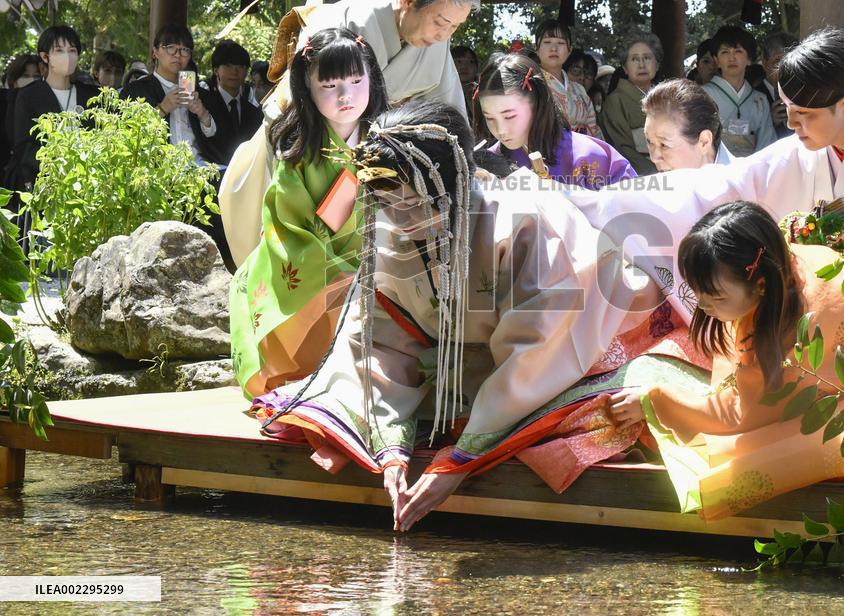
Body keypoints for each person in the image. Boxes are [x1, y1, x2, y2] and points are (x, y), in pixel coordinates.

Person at [252, 100, 699, 531]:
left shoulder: (525, 223)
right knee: (362, 416)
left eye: (417, 203)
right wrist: (391, 447)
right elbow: (382, 339)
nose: (402, 219)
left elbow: (539, 344)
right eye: (389, 203)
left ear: (455, 183)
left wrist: (462, 459)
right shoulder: (390, 229)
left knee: (590, 419)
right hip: (488, 354)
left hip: (587, 333)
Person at [563, 27, 844, 369]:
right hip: (833, 330)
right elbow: (720, 188)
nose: (791, 125)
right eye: (786, 109)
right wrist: (603, 204)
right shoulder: (807, 149)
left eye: (803, 114)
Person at [608, 201, 844, 520]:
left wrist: (655, 400)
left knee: (785, 449)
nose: (702, 305)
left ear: (759, 285)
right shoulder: (783, 265)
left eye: (714, 295)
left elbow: (739, 415)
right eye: (697, 292)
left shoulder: (790, 325)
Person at [220, 0, 479, 268]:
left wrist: (463, 165)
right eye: (441, 22)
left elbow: (449, 114)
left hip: (386, 170)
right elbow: (303, 103)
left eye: (454, 27)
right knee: (304, 258)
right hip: (316, 153)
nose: (445, 35)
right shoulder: (343, 21)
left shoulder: (436, 44)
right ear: (409, 0)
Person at [233, 27, 388, 398]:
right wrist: (347, 276)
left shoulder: (390, 142)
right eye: (330, 86)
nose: (346, 95)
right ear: (307, 88)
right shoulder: (298, 155)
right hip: (321, 272)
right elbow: (288, 230)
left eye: (355, 79)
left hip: (382, 269)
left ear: (372, 77)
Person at [474, 52, 635, 189]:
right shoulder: (488, 164)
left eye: (509, 116)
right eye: (489, 118)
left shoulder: (590, 156)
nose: (501, 130)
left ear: (537, 103)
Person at [6, 26, 101, 192]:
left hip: (87, 186)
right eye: (59, 50)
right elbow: (24, 147)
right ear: (45, 56)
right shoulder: (28, 95)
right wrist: (60, 162)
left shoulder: (91, 95)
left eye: (72, 50)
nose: (67, 56)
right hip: (45, 186)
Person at [120, 24, 219, 166]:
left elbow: (216, 140)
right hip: (158, 172)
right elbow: (128, 137)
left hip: (198, 169)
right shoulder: (136, 91)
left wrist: (202, 114)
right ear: (155, 52)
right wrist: (162, 109)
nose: (178, 55)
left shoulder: (200, 93)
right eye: (171, 48)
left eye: (184, 50)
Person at [702, 26, 776, 157]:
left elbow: (767, 143)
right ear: (716, 60)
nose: (732, 58)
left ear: (749, 59)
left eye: (738, 51)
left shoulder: (759, 100)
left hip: (751, 171)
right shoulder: (703, 95)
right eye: (725, 52)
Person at [599, 33, 663, 175]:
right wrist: (656, 173)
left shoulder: (665, 98)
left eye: (647, 58)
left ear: (657, 65)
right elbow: (622, 148)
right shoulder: (616, 100)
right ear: (625, 68)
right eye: (634, 59)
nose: (641, 65)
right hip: (639, 175)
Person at [197, 39, 264, 166]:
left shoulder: (255, 114)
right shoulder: (203, 105)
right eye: (228, 66)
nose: (235, 72)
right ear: (216, 70)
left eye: (241, 67)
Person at [642, 79, 732, 172]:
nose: (654, 157)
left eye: (664, 145)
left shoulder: (743, 183)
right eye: (650, 142)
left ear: (704, 142)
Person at [534, 19, 601, 137]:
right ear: (537, 49)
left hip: (581, 152)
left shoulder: (580, 90)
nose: (554, 48)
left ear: (569, 50)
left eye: (560, 43)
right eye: (547, 42)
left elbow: (592, 130)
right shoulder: (531, 85)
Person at [1, 54, 42, 175]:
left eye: (36, 76)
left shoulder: (44, 106)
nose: (31, 80)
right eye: (25, 76)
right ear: (14, 81)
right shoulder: (4, 103)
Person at [759, 31, 798, 139]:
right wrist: (770, 123)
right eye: (777, 61)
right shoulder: (753, 96)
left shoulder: (802, 93)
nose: (784, 67)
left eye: (790, 60)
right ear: (765, 63)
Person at [450, 44, 479, 119]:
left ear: (476, 69)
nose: (464, 66)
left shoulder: (481, 94)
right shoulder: (441, 91)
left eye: (471, 62)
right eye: (459, 61)